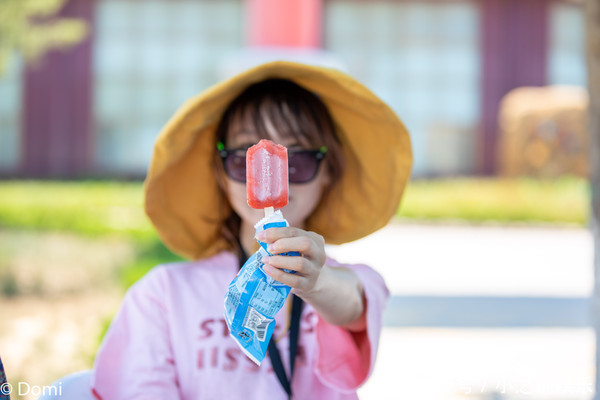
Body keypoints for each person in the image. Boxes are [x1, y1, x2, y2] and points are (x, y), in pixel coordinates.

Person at [90, 61, 412, 399]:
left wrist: (316, 281)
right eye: (243, 156)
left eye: (299, 159)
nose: (282, 174)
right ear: (220, 172)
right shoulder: (163, 294)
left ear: (329, 171)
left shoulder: (351, 280)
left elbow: (352, 303)